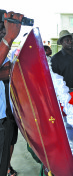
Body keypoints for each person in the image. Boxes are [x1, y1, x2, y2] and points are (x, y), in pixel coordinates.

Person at [0, 11, 22, 176]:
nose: (4, 31)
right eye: (2, 27)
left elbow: (8, 72)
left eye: (5, 27)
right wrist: (8, 38)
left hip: (5, 117)